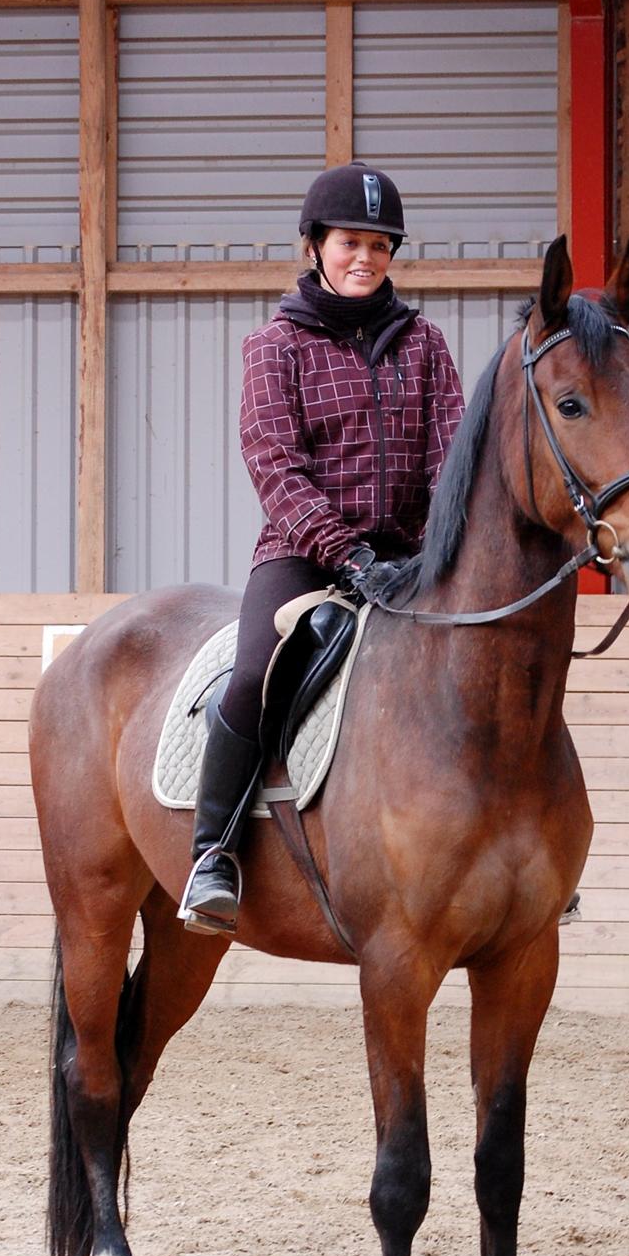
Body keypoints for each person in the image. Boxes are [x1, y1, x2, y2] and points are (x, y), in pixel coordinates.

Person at [180, 162, 465, 934]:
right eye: (350, 242)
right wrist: (346, 555)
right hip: (303, 554)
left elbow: (451, 461)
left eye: (379, 244)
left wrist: (439, 549)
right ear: (315, 246)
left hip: (410, 556)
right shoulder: (277, 346)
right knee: (252, 674)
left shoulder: (427, 346)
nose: (365, 257)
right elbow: (275, 465)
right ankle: (216, 852)